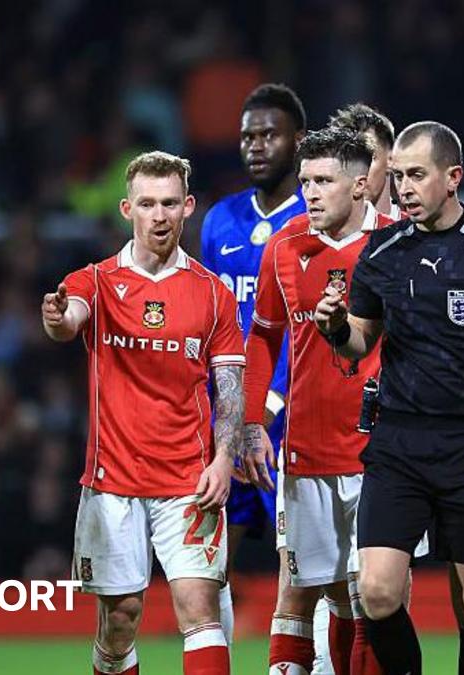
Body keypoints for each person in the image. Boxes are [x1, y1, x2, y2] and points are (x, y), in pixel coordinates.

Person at [315, 121, 464, 675]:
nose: (404, 188)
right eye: (396, 177)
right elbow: (359, 343)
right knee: (377, 591)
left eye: (416, 175)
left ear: (453, 177)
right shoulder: (383, 250)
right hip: (398, 441)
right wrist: (338, 328)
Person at [43, 151, 244, 675]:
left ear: (188, 207)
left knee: (200, 612)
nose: (160, 215)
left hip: (189, 481)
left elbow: (230, 388)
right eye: (149, 204)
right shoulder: (96, 281)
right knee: (120, 622)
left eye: (171, 204)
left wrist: (224, 460)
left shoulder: (213, 294)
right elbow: (70, 320)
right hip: (113, 483)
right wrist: (60, 318)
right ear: (127, 208)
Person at [244, 127, 391, 675]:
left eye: (323, 181)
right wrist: (253, 421)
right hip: (305, 447)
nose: (310, 192)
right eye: (305, 181)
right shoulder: (284, 246)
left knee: (371, 594)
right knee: (319, 589)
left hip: (381, 450)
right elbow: (263, 335)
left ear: (359, 187)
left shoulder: (396, 243)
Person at [199, 82, 307, 649]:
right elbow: (211, 321)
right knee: (209, 564)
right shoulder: (220, 221)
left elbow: (303, 326)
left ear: (300, 141)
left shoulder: (315, 218)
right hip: (225, 422)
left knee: (301, 567)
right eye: (248, 136)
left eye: (269, 134)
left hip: (287, 421)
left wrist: (264, 408)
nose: (256, 146)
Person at [328, 103, 399, 219]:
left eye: (368, 158)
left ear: (391, 160)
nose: (356, 174)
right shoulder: (313, 231)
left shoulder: (416, 231)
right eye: (346, 162)